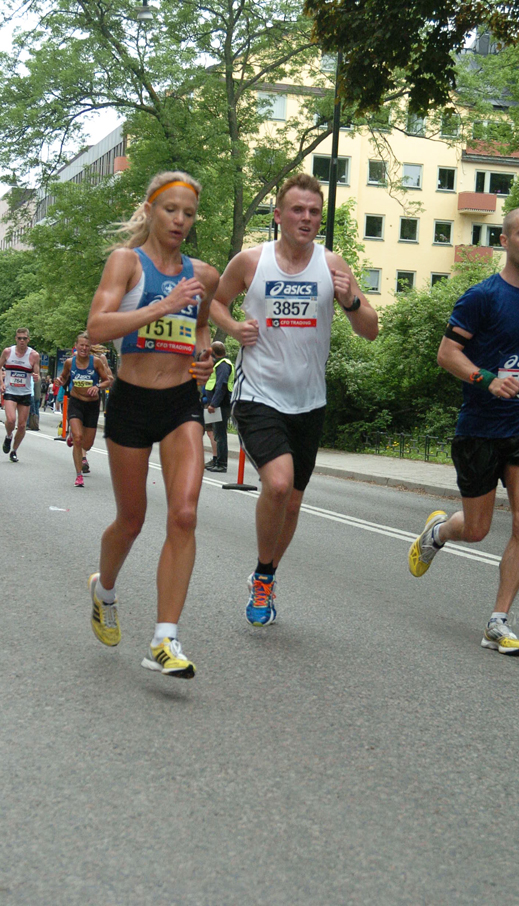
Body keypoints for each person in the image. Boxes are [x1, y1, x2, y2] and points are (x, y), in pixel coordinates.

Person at [209, 173, 379, 626]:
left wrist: (351, 302)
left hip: (309, 400)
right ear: (279, 215)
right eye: (298, 210)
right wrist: (233, 329)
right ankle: (264, 578)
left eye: (314, 212)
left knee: (294, 501)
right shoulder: (250, 261)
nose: (306, 218)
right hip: (258, 393)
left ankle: (265, 573)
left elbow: (371, 329)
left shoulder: (333, 264)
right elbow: (216, 302)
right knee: (278, 485)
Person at [408, 207, 519, 656]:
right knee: (478, 528)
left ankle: (497, 622)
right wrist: (485, 378)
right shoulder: (480, 297)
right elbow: (447, 354)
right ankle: (439, 533)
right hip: (480, 427)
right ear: (505, 241)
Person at [86, 170, 219, 679]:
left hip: (180, 404)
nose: (180, 220)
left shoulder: (202, 275)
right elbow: (97, 326)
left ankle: (165, 639)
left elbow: (202, 326)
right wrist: (159, 306)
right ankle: (105, 589)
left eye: (188, 213)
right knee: (132, 520)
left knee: (184, 514)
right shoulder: (126, 262)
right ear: (149, 209)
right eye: (171, 210)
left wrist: (205, 356)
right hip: (131, 404)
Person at [58, 331, 113, 486]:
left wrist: (97, 386)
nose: (83, 348)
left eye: (86, 346)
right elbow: (63, 377)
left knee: (87, 444)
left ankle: (75, 439)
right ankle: (78, 475)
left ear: (90, 347)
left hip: (92, 405)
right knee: (78, 438)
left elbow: (107, 381)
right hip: (76, 402)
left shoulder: (95, 362)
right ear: (76, 346)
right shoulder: (70, 362)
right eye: (81, 345)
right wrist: (59, 380)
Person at [0, 328, 40, 462]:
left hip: (25, 393)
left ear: (28, 339)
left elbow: (37, 374)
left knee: (22, 425)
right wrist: (1, 383)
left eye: (24, 338)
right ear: (16, 339)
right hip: (10, 391)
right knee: (11, 420)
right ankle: (9, 436)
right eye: (19, 338)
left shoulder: (34, 355)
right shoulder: (7, 352)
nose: (22, 341)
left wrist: (36, 376)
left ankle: (14, 450)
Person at [204, 340, 234, 472]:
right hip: (214, 405)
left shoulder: (223, 365)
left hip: (220, 405)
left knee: (221, 435)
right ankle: (216, 460)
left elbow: (221, 386)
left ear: (214, 353)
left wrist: (213, 404)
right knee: (216, 433)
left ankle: (222, 464)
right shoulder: (219, 364)